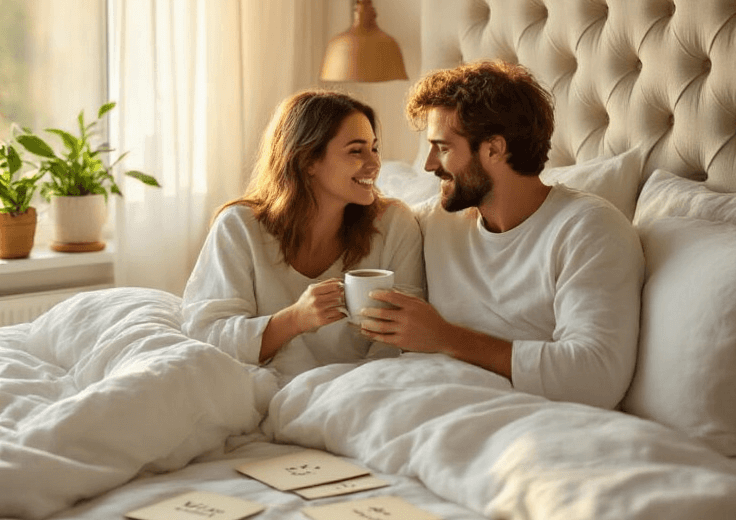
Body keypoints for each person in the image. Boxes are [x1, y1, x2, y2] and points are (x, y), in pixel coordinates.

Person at [359, 60, 645, 410]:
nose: (429, 165)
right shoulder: (435, 223)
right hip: (430, 401)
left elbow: (595, 377)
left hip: (532, 421)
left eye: (443, 148)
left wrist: (444, 337)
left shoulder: (589, 230)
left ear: (494, 149)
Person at [182, 90, 425, 380]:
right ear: (308, 160)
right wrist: (296, 319)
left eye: (374, 149)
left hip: (362, 389)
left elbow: (402, 339)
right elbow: (208, 333)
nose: (374, 164)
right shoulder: (239, 227)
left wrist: (353, 389)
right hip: (261, 386)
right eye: (356, 151)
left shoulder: (395, 224)